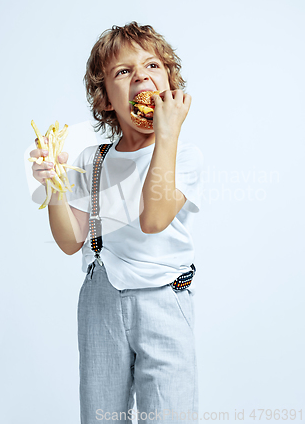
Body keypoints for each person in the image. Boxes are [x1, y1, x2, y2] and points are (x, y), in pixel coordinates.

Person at [30, 22, 203, 423]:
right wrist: (55, 184)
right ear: (106, 99)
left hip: (164, 299)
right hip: (101, 300)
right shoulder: (94, 159)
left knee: (169, 414)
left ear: (169, 84)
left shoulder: (184, 156)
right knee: (101, 415)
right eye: (123, 72)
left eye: (153, 66)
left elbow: (154, 218)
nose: (141, 75)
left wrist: (168, 134)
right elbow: (72, 240)